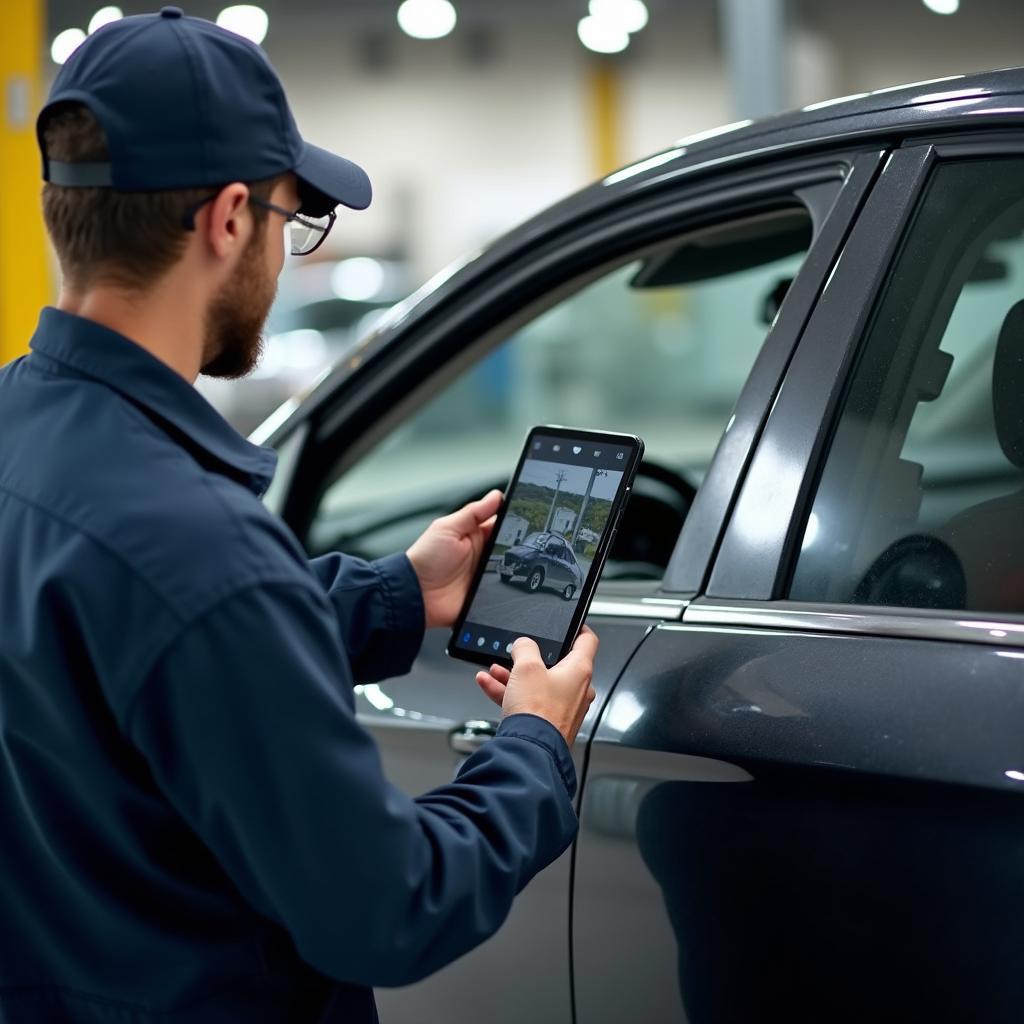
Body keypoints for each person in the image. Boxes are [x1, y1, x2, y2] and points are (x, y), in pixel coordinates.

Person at [0, 8, 597, 1022]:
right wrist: (533, 744)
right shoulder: (198, 542)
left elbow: (138, 658)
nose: (285, 257)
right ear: (229, 218)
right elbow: (391, 905)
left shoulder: (25, 439)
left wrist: (397, 595)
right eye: (290, 219)